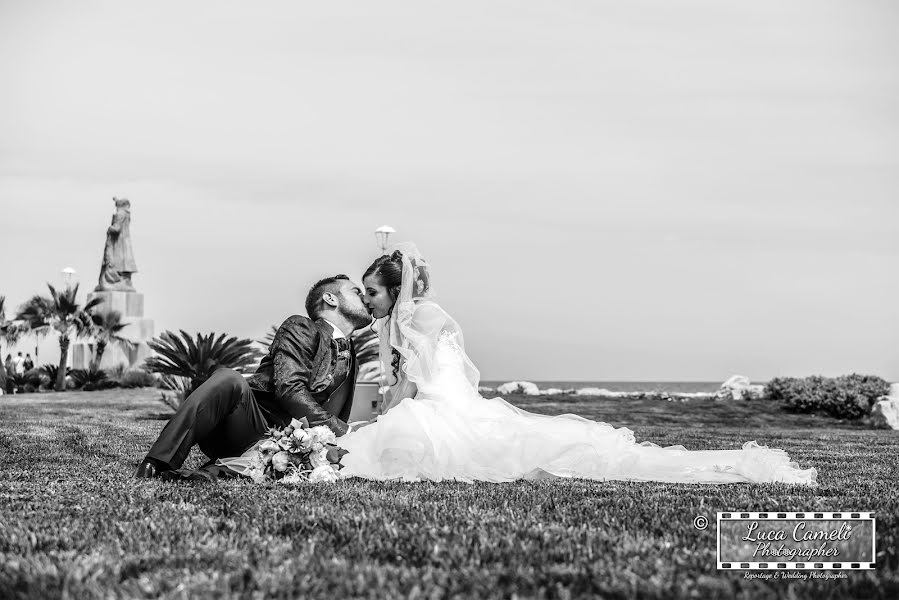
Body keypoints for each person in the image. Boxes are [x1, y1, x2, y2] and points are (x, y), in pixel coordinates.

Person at [332, 243, 817, 484]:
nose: (368, 298)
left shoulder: (423, 315)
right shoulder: (396, 322)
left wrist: (393, 403)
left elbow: (418, 381)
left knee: (406, 438)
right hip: (435, 400)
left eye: (372, 291)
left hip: (443, 404)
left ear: (396, 290)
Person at [133, 275, 372, 478]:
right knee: (228, 378)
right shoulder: (302, 327)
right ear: (330, 299)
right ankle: (158, 462)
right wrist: (344, 430)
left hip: (297, 443)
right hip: (247, 423)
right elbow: (290, 389)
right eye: (356, 291)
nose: (364, 297)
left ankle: (218, 471)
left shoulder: (352, 356)